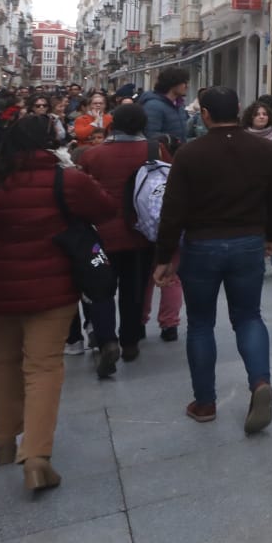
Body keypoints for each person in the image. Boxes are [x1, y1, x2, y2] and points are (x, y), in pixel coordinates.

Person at [0, 114, 121, 493]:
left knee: (2, 361)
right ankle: (36, 457)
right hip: (52, 288)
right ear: (47, 143)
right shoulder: (65, 180)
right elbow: (106, 209)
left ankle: (3, 441)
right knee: (43, 367)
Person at [151, 87, 272, 432]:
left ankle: (205, 402)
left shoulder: (189, 154)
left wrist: (164, 256)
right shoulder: (264, 149)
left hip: (202, 245)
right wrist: (271, 236)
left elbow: (173, 210)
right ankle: (260, 381)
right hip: (248, 243)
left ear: (205, 114)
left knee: (200, 323)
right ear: (239, 109)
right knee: (249, 316)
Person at [76, 103, 168, 367]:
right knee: (134, 289)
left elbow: (82, 191)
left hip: (100, 236)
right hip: (140, 232)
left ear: (112, 125)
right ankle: (130, 340)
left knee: (101, 289)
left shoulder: (92, 155)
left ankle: (106, 339)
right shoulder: (155, 150)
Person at [139, 67, 190, 148]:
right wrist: (171, 142)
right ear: (173, 84)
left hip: (179, 152)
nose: (187, 86)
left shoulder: (179, 105)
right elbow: (150, 134)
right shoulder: (153, 106)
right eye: (184, 83)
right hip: (163, 152)